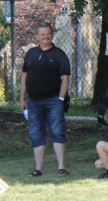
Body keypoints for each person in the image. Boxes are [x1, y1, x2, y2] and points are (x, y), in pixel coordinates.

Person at [21, 21, 71, 177]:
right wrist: (22, 99)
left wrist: (61, 99)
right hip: (33, 101)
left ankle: (61, 167)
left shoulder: (59, 54)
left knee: (57, 132)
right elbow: (24, 77)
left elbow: (65, 79)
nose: (46, 37)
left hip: (53, 101)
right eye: (42, 35)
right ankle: (38, 168)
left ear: (52, 34)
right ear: (38, 36)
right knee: (36, 134)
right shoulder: (30, 54)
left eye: (48, 34)